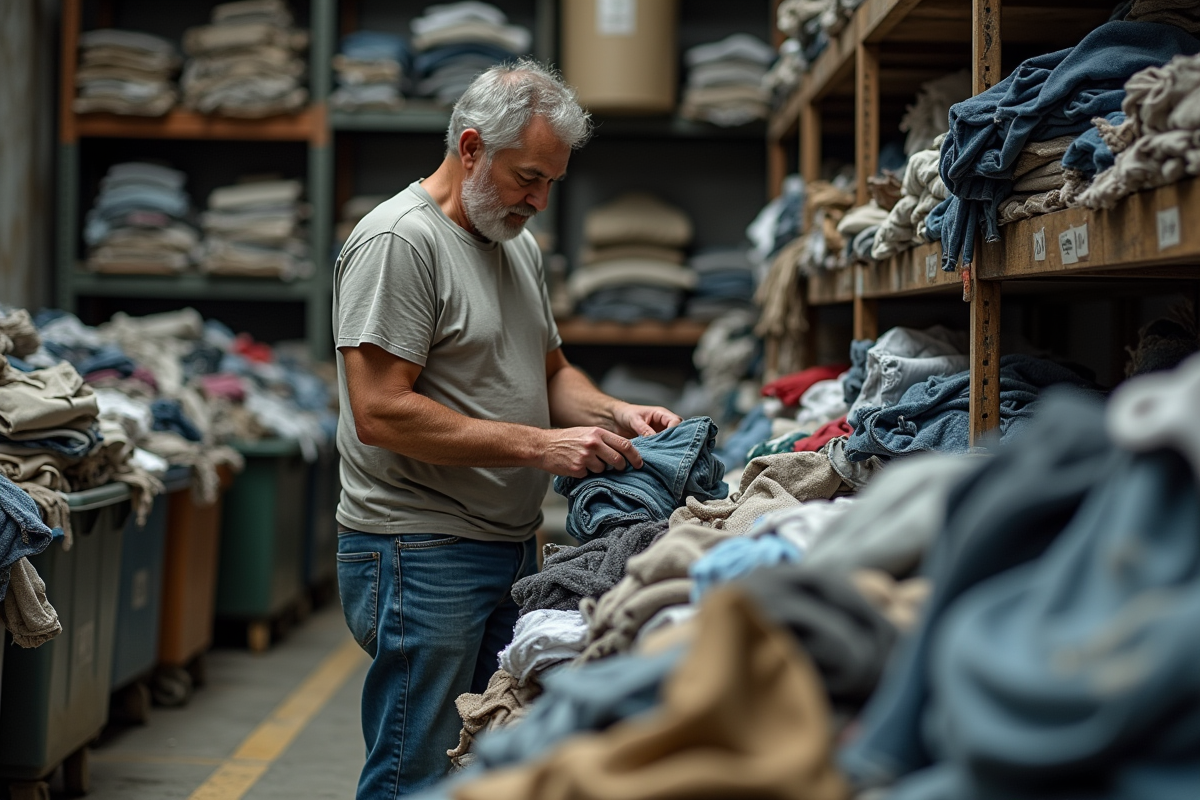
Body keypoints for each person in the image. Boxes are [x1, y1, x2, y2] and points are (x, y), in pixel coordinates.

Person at [332, 59, 682, 798]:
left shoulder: (516, 246)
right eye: (529, 177)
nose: (540, 200)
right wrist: (543, 447)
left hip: (505, 547)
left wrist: (614, 413)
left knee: (492, 754)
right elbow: (379, 412)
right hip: (417, 549)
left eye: (550, 181)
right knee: (412, 770)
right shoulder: (399, 242)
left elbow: (550, 373)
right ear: (469, 148)